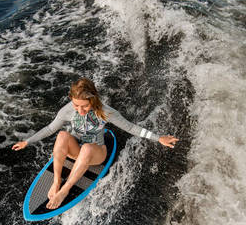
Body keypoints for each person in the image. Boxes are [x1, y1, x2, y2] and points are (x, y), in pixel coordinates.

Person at [12, 78, 178, 210]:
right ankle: (56, 182)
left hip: (96, 153)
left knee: (86, 148)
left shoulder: (106, 112)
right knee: (62, 135)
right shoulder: (67, 110)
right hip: (76, 150)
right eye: (76, 105)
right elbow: (50, 128)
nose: (80, 111)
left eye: (85, 106)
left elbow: (131, 127)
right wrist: (28, 141)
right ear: (71, 99)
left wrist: (158, 138)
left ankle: (65, 189)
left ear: (93, 99)